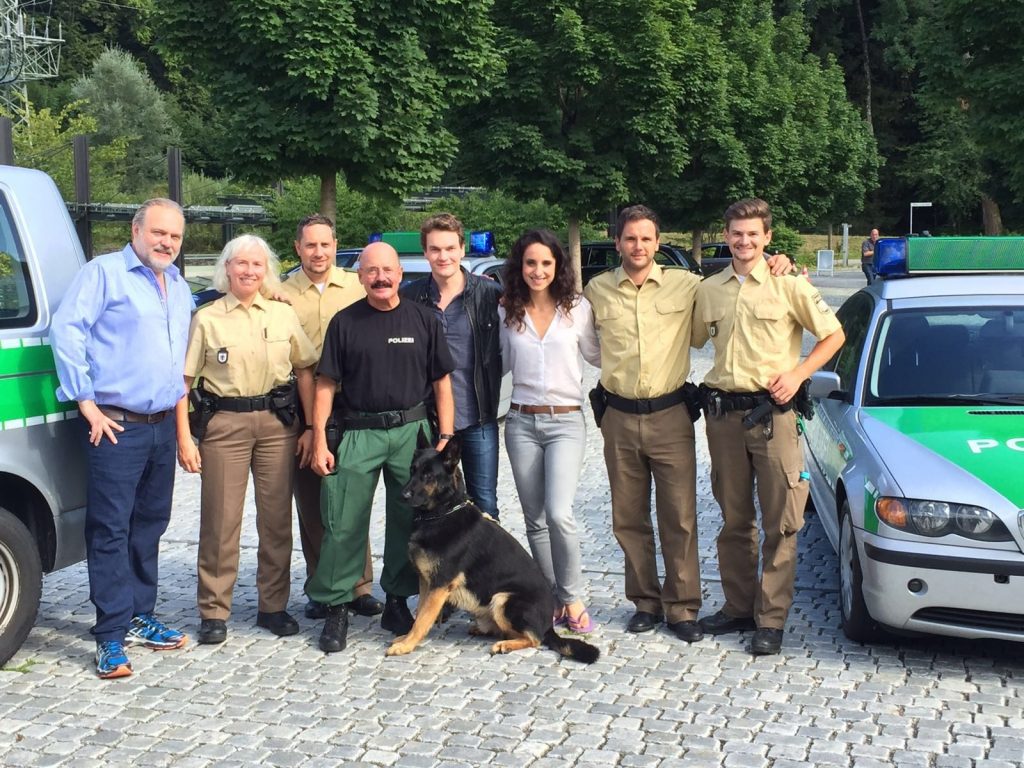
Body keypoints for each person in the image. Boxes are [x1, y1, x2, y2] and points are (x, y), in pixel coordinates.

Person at [693, 198, 845, 655]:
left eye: (753, 234)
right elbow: (694, 336)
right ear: (726, 234)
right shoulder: (710, 288)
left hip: (774, 417)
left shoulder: (789, 285)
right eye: (737, 233)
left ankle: (771, 619)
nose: (744, 241)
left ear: (768, 238)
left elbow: (834, 334)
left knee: (782, 521)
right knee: (734, 519)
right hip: (723, 418)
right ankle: (739, 607)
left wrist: (800, 373)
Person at [51, 198, 191, 679]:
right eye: (158, 233)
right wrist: (85, 402)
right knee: (110, 528)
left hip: (161, 426)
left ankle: (139, 615)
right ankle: (110, 636)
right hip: (115, 424)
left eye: (174, 236)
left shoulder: (176, 283)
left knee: (149, 523)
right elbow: (66, 331)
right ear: (136, 230)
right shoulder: (103, 273)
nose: (166, 242)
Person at [308, 242, 455, 653]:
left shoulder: (424, 320)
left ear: (400, 274)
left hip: (412, 434)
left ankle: (396, 599)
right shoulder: (345, 323)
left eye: (388, 270)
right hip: (358, 432)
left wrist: (445, 436)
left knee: (408, 522)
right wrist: (319, 437)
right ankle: (337, 604)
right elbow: (325, 384)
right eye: (372, 271)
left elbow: (442, 381)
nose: (381, 278)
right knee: (343, 520)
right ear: (360, 276)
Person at [176, 234, 318, 646]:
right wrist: (185, 437)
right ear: (227, 268)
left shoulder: (281, 314)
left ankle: (272, 605)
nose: (249, 271)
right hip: (224, 425)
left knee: (276, 520)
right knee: (220, 522)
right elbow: (184, 383)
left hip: (277, 425)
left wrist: (309, 428)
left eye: (257, 265)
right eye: (241, 264)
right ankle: (214, 610)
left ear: (266, 271)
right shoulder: (207, 318)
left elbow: (305, 370)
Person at [280, 214, 383, 621]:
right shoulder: (280, 294)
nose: (318, 252)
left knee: (352, 499)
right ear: (298, 248)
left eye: (325, 244)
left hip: (353, 403)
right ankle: (321, 587)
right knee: (312, 501)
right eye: (310, 245)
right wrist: (309, 425)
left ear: (336, 245)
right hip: (302, 406)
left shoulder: (358, 286)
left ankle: (359, 586)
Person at [498, 229, 601, 633]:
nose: (537, 270)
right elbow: (499, 363)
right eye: (530, 263)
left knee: (559, 513)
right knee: (534, 518)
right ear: (519, 267)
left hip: (565, 421)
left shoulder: (577, 309)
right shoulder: (508, 310)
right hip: (521, 421)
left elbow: (598, 353)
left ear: (557, 266)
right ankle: (549, 596)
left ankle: (572, 597)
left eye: (545, 263)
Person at [401, 213, 502, 520]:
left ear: (461, 249)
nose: (443, 256)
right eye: (435, 249)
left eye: (449, 248)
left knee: (483, 504)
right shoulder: (410, 297)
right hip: (427, 422)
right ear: (425, 252)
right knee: (425, 506)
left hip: (477, 418)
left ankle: (487, 568)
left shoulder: (490, 294)